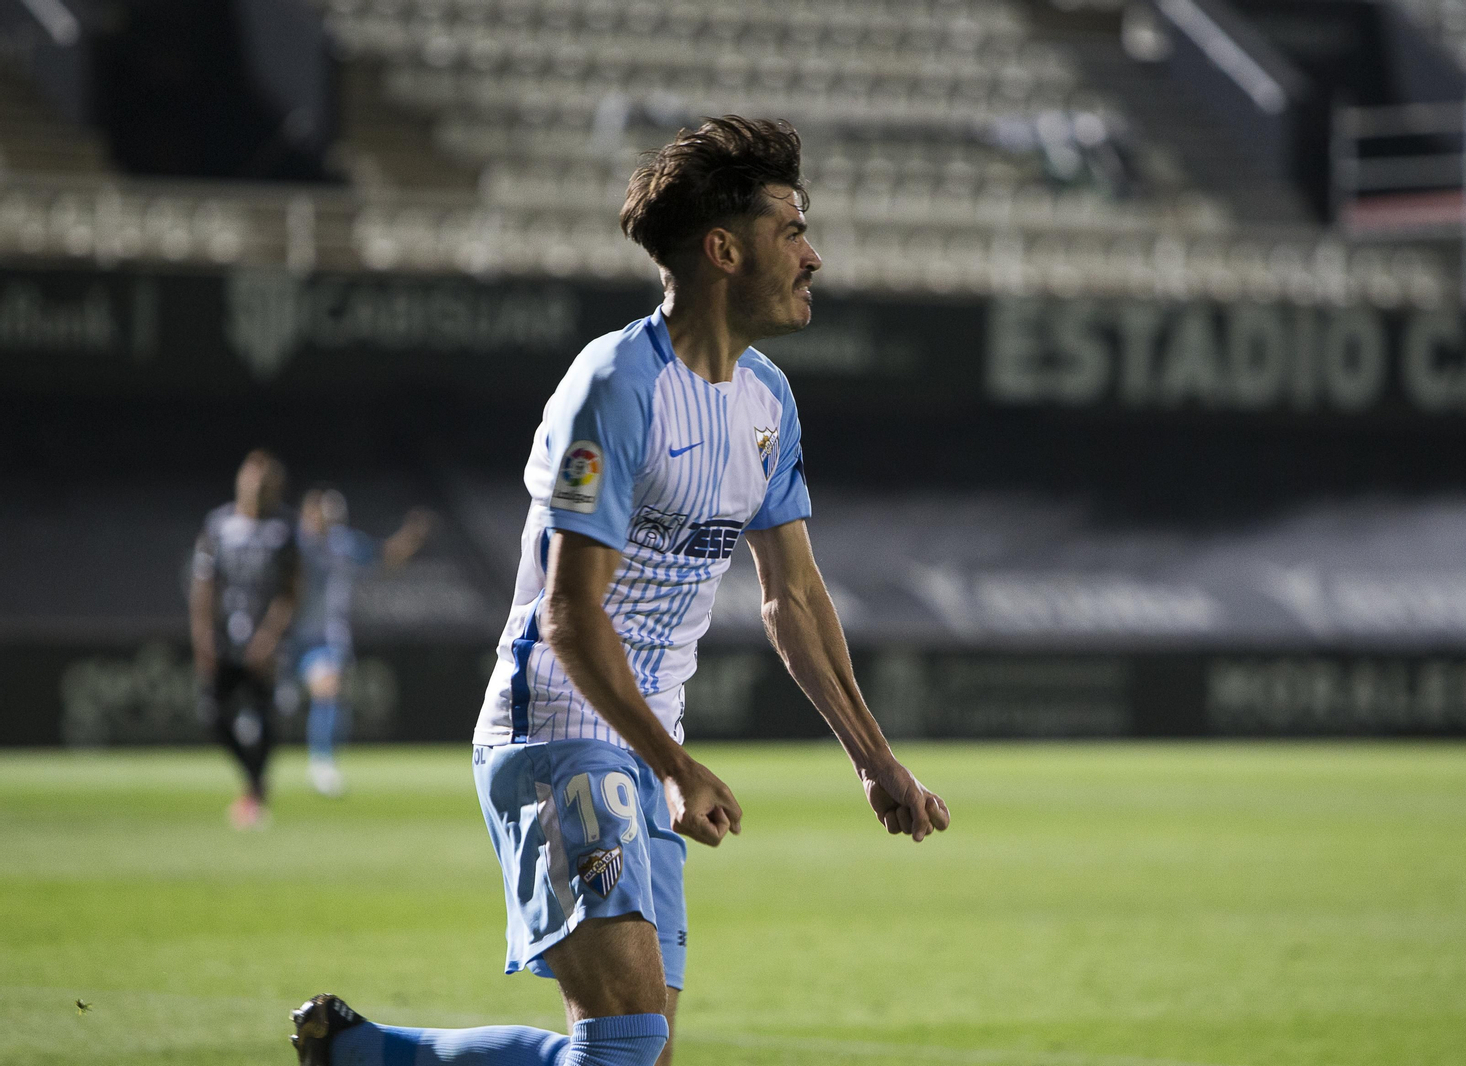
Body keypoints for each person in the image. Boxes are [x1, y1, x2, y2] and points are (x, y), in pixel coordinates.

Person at [289, 116, 950, 1066]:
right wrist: (676, 769)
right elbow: (567, 612)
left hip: (648, 744)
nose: (814, 255)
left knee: (636, 1055)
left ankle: (364, 1055)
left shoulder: (766, 401)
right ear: (724, 250)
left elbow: (793, 598)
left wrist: (874, 759)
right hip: (557, 727)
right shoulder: (615, 384)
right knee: (629, 1046)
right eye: (791, 230)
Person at [293, 488, 432, 797]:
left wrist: (412, 535)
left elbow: (385, 556)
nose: (329, 522)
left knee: (330, 690)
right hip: (286, 636)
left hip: (325, 638)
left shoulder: (342, 543)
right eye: (322, 515)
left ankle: (322, 762)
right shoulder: (294, 543)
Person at [190, 449, 299, 830]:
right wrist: (203, 637)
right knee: (213, 715)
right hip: (224, 640)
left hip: (264, 644)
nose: (256, 489)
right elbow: (203, 586)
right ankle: (253, 781)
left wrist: (269, 637)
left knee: (266, 717)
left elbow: (290, 591)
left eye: (264, 483)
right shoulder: (218, 526)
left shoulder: (284, 530)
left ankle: (254, 790)